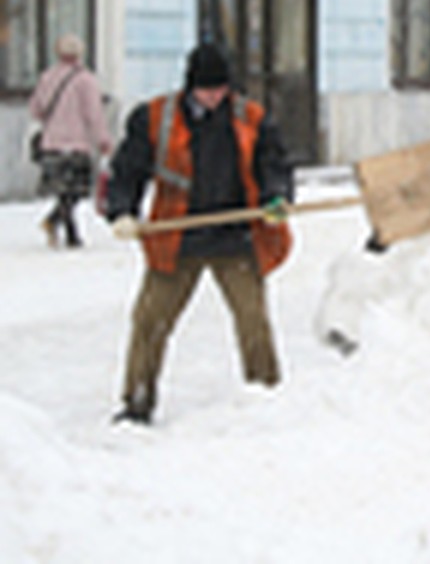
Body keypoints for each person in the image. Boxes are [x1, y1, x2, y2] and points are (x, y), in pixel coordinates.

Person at [105, 42, 294, 425]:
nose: (214, 98)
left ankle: (266, 397)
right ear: (190, 87)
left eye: (221, 89)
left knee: (253, 321)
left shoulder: (251, 118)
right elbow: (128, 168)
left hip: (235, 236)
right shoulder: (155, 118)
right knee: (149, 321)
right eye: (207, 90)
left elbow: (274, 162)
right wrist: (122, 210)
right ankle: (137, 401)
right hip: (178, 238)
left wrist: (277, 197)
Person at [28, 33, 112, 248]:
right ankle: (64, 228)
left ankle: (63, 227)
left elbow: (35, 109)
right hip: (77, 143)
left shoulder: (47, 77)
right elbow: (94, 114)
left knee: (64, 190)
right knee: (75, 190)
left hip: (52, 143)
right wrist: (102, 139)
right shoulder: (86, 80)